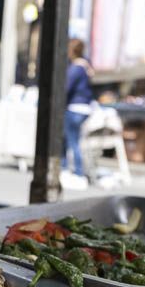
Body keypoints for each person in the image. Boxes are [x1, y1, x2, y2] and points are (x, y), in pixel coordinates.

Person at [63, 38, 94, 182]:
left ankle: (77, 172)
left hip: (75, 107)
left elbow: (66, 88)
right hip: (85, 108)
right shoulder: (86, 66)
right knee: (74, 140)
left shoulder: (76, 68)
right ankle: (75, 170)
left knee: (71, 140)